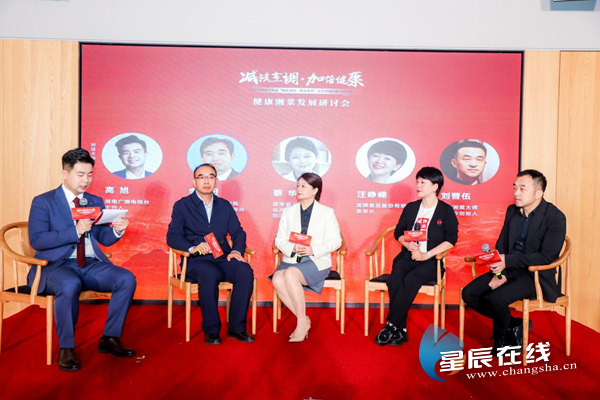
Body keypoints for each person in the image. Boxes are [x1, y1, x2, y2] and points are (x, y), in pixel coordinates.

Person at [28, 148, 137, 372]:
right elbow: (37, 240)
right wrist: (74, 231)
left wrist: (118, 230)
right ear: (65, 173)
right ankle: (66, 348)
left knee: (126, 279)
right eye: (80, 174)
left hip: (89, 264)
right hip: (54, 266)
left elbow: (103, 238)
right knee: (69, 283)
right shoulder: (44, 201)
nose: (86, 180)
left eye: (89, 174)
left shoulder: (94, 201)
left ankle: (110, 337)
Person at [462, 170, 566, 356]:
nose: (516, 193)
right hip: (508, 269)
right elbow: (502, 244)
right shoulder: (513, 211)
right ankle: (514, 324)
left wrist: (507, 261)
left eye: (522, 188)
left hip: (534, 275)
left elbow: (546, 257)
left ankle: (502, 340)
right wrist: (499, 274)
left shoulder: (555, 217)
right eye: (515, 187)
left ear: (538, 193)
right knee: (469, 293)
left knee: (496, 298)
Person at [166, 163, 254, 345]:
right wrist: (192, 248)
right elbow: (172, 236)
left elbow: (238, 233)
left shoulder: (224, 205)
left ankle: (237, 328)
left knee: (245, 271)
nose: (206, 181)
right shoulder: (182, 205)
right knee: (209, 273)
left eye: (211, 177)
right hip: (196, 260)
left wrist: (236, 251)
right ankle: (212, 330)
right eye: (201, 177)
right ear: (194, 181)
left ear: (216, 181)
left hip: (222, 257)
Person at [376, 166, 458, 346]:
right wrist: (407, 244)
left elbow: (451, 240)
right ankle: (401, 329)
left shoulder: (446, 211)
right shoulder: (411, 208)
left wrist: (426, 254)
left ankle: (391, 325)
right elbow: (398, 232)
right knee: (395, 278)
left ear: (435, 186)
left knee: (412, 278)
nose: (418, 186)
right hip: (407, 257)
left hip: (430, 261)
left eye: (422, 182)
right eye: (417, 182)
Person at [272, 173, 342, 342]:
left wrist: (313, 250)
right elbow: (279, 240)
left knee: (290, 274)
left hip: (316, 261)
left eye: (303, 186)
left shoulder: (327, 213)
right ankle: (303, 319)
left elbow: (336, 241)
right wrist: (292, 247)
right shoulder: (288, 212)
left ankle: (301, 323)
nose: (299, 189)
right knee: (277, 279)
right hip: (293, 258)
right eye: (298, 185)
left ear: (315, 190)